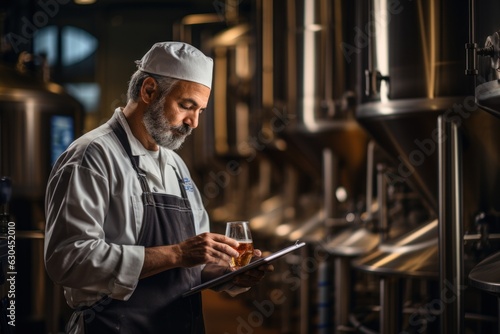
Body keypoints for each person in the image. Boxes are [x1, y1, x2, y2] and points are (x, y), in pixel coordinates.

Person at [44, 41, 272, 334]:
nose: (194, 122)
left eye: (201, 110)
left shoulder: (176, 166)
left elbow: (193, 264)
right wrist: (176, 253)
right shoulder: (92, 156)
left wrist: (232, 275)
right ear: (149, 91)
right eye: (187, 106)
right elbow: (68, 259)